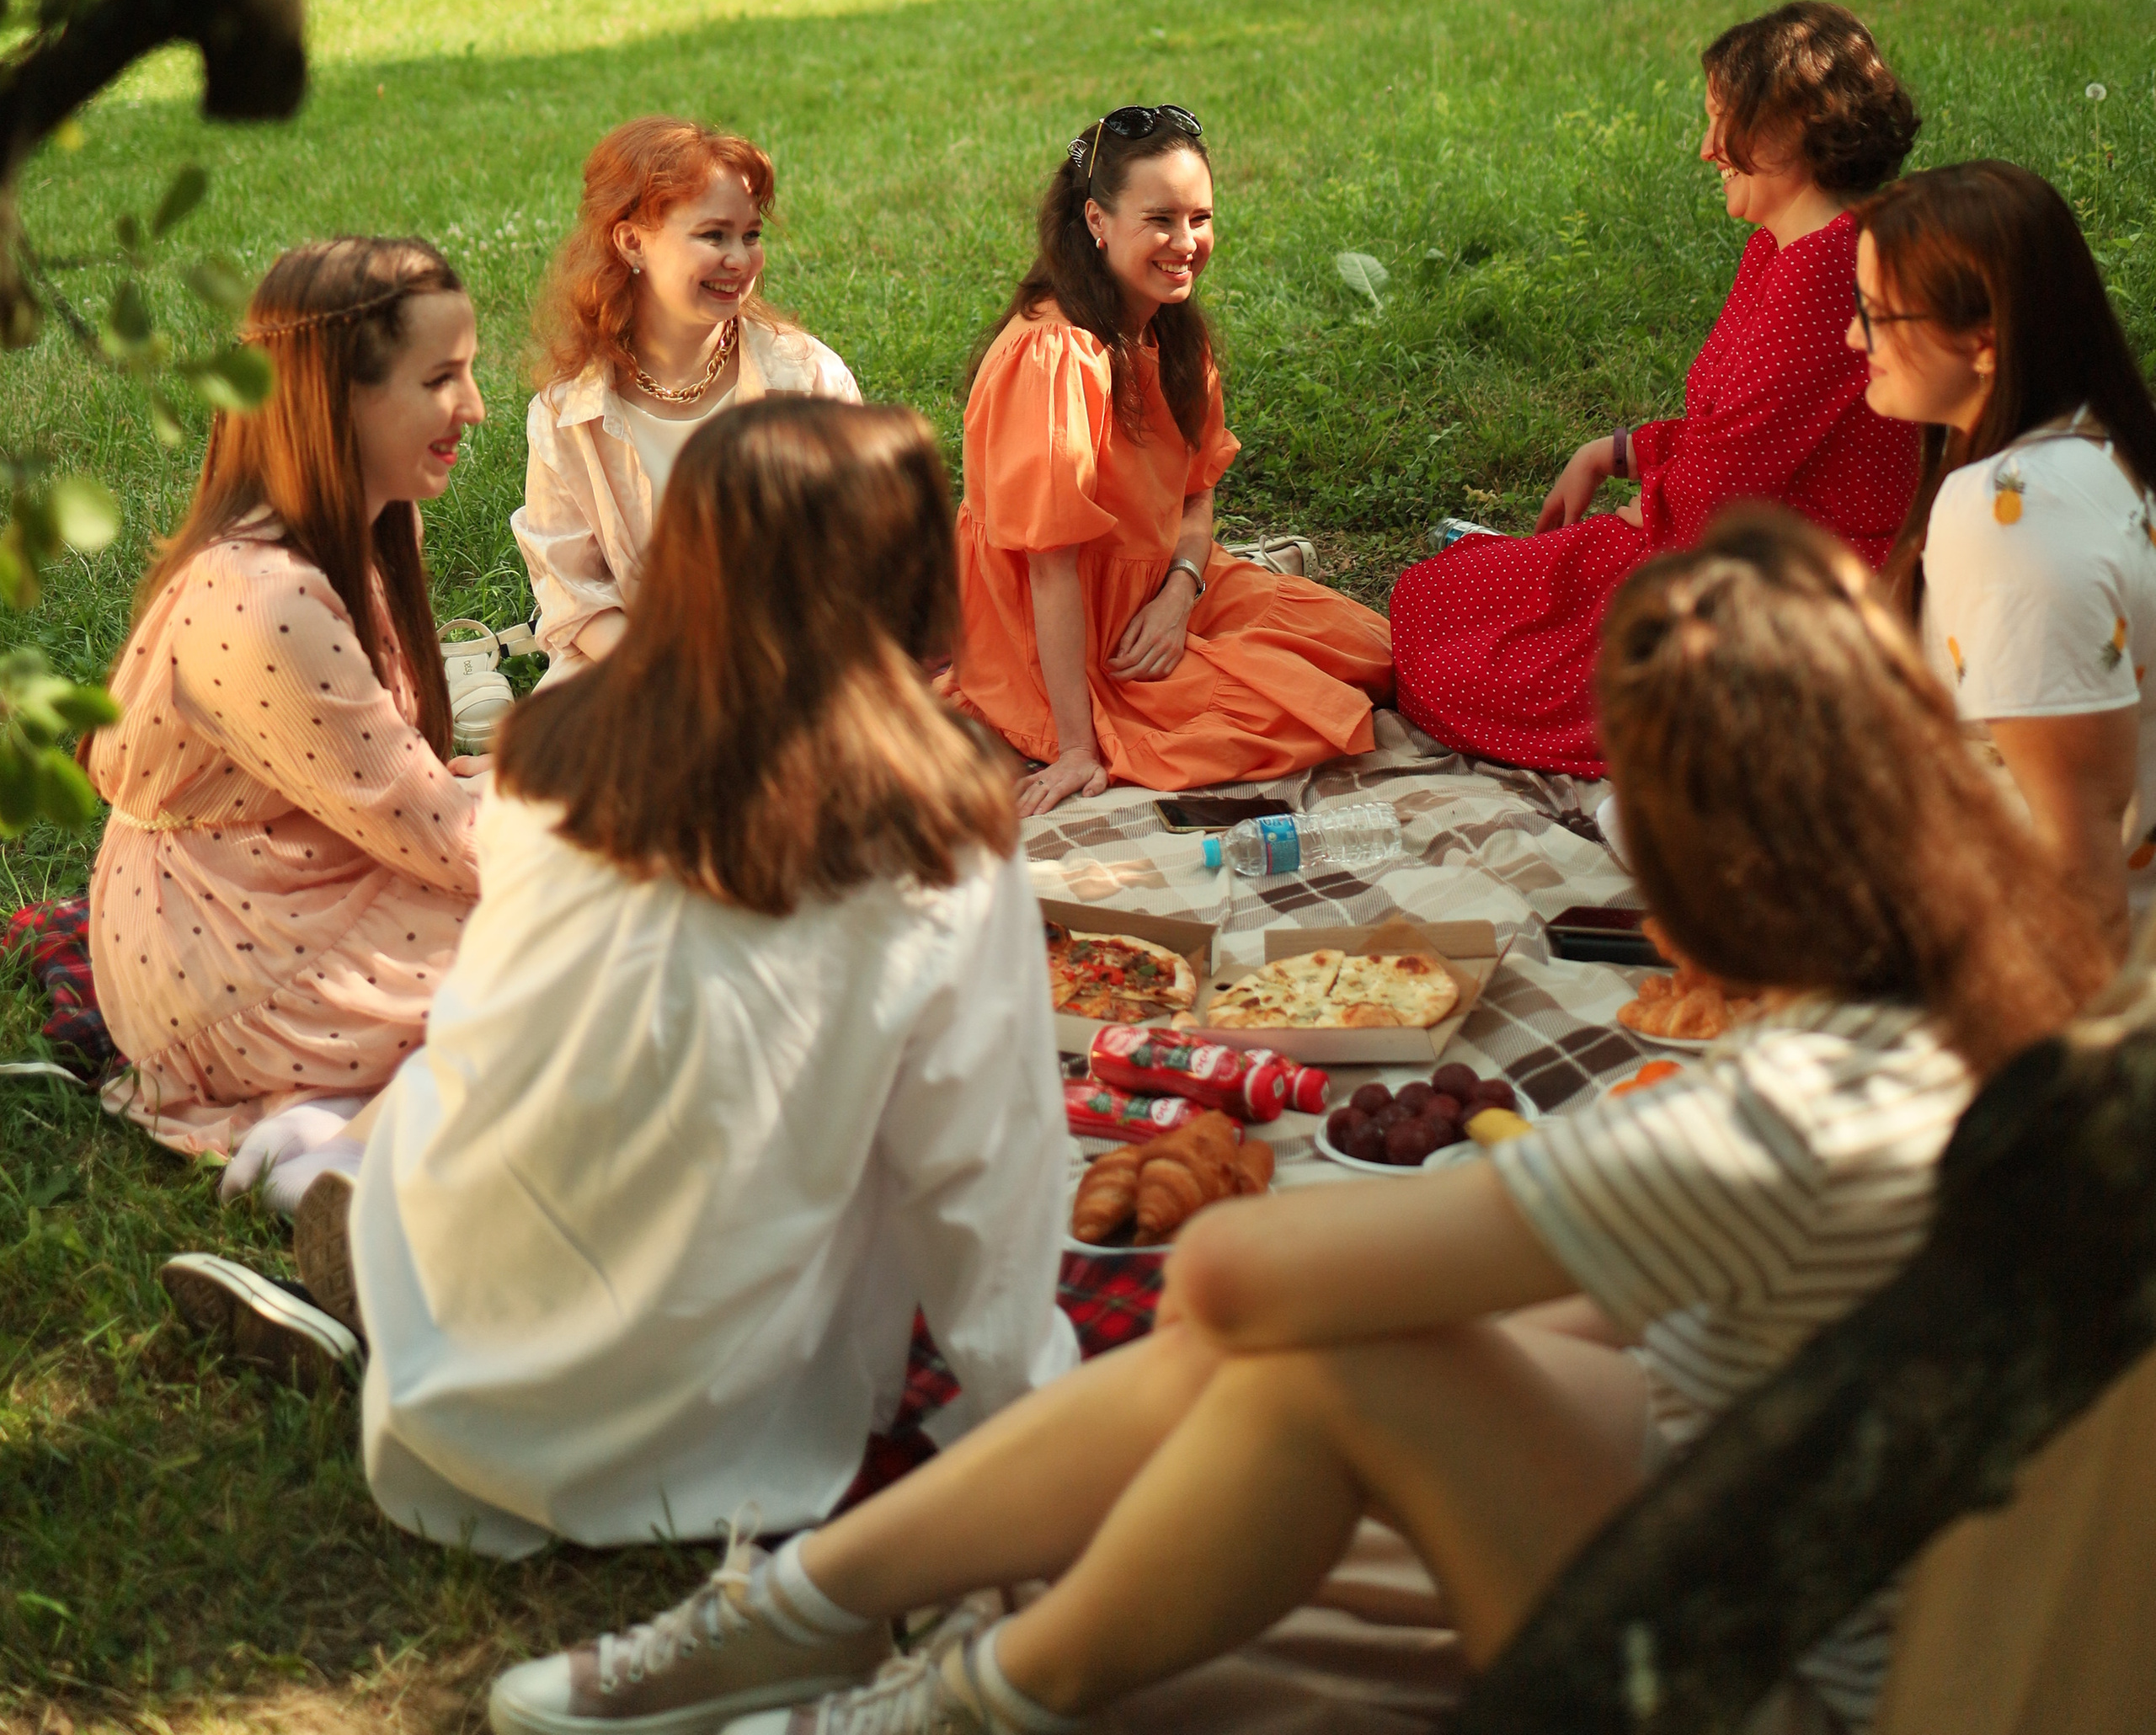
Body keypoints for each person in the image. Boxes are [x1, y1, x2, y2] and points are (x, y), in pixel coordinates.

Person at [489, 508, 2110, 1735]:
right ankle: (809, 1624)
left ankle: (929, 1693)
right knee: (1327, 1347)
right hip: (1803, 1538)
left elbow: (1236, 1284)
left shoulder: (1774, 1117)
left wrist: (1346, 1247)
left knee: (1319, 1347)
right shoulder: (2019, 1006)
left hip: (1759, 1678)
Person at [343, 399, 1075, 1556]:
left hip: (456, 1325)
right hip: (735, 1427)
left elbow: (497, 1022)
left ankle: (370, 1250)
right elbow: (988, 1163)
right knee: (876, 1120)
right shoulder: (933, 837)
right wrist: (1028, 1401)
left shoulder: (547, 750)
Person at [1391, 0, 1923, 774]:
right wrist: (1616, 451)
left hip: (1786, 594)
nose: (1708, 149)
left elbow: (1719, 494)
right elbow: (1736, 432)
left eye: (1723, 122)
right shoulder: (1786, 249)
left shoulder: (1823, 271)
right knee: (1435, 597)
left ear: (1792, 130)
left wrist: (1636, 514)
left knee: (1457, 654)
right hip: (1734, 547)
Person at [86, 238, 485, 1159]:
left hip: (310, 874)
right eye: (441, 379)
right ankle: (328, 1149)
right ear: (335, 396)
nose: (473, 407)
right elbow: (447, 837)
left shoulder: (376, 519)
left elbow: (402, 784)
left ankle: (312, 1137)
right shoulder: (260, 600)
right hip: (234, 959)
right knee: (595, 927)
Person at [953, 106, 1391, 813]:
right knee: (1296, 716)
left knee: (1372, 651)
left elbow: (1196, 493)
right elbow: (1050, 565)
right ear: (1097, 220)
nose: (1186, 243)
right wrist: (1075, 746)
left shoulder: (1173, 328)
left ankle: (1238, 590)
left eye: (1201, 217)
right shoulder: (1057, 355)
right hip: (1070, 633)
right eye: (1160, 219)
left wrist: (1178, 595)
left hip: (1168, 581)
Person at [1849, 160, 2156, 957]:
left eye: (1876, 314)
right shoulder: (2091, 436)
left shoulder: (2006, 518)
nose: (1855, 337)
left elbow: (2079, 846)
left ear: (1984, 339)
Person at [514, 118, 860, 681]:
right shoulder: (567, 414)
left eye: (751, 234)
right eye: (713, 235)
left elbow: (856, 560)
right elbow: (575, 597)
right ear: (631, 242)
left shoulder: (808, 379)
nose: (741, 260)